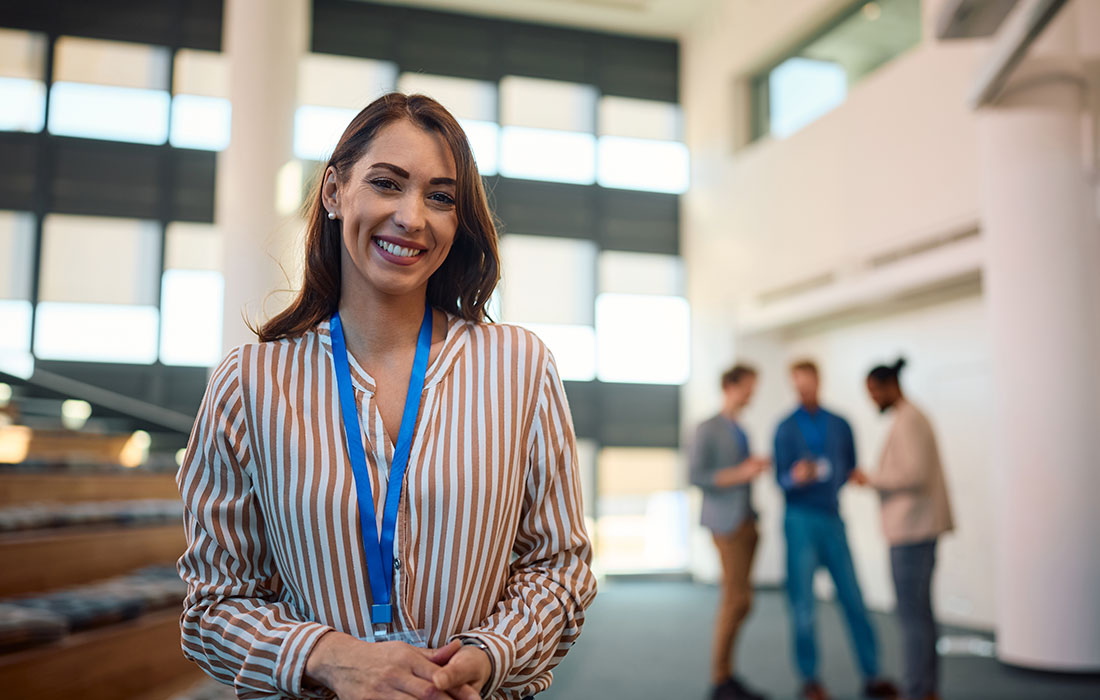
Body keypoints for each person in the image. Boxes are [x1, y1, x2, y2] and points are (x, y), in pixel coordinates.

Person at [176, 93, 596, 700]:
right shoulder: (249, 382)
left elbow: (560, 568)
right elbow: (212, 607)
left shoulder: (519, 367)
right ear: (333, 192)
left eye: (440, 196)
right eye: (386, 183)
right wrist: (330, 658)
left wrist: (486, 655)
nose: (412, 216)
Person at [773, 360, 898, 700]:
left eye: (808, 383)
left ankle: (873, 675)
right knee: (803, 606)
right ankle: (810, 679)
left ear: (819, 381)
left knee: (854, 598)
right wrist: (795, 477)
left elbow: (849, 467)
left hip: (832, 518)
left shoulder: (840, 425)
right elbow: (779, 479)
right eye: (797, 384)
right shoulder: (785, 428)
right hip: (799, 519)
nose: (804, 389)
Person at [852, 359, 954, 700]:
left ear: (888, 386)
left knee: (912, 618)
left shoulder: (909, 420)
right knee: (920, 616)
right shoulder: (911, 416)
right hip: (917, 530)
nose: (872, 400)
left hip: (912, 531)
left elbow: (914, 474)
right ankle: (926, 689)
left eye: (873, 392)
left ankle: (915, 690)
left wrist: (870, 479)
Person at [689, 364, 771, 700]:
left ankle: (726, 674)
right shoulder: (708, 427)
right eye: (750, 386)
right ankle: (720, 680)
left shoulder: (741, 428)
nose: (753, 393)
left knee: (742, 601)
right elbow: (697, 476)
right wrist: (742, 473)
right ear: (731, 386)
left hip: (746, 519)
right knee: (735, 599)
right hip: (725, 522)